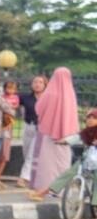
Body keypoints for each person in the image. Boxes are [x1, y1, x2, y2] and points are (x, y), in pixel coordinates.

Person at [29, 67, 80, 201]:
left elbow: (38, 108)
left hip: (50, 134)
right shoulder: (70, 94)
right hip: (66, 136)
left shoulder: (50, 93)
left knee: (47, 164)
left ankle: (46, 189)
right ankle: (61, 189)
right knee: (63, 163)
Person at [18, 75, 47, 187]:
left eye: (40, 82)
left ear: (45, 85)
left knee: (31, 153)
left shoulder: (48, 98)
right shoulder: (25, 97)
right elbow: (12, 102)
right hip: (28, 126)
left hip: (42, 128)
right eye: (35, 82)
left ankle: (23, 178)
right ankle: (32, 176)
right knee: (27, 151)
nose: (37, 84)